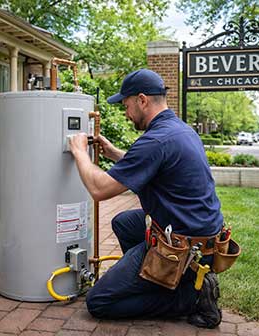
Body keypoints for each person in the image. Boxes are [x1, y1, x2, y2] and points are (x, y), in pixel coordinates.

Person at [69, 69, 223, 328]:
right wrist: (116, 154)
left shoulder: (156, 140)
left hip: (183, 246)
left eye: (126, 105)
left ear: (142, 100)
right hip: (204, 236)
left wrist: (79, 153)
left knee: (99, 302)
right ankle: (158, 279)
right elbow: (156, 164)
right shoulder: (180, 130)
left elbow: (98, 189)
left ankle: (187, 298)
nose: (127, 114)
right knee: (125, 222)